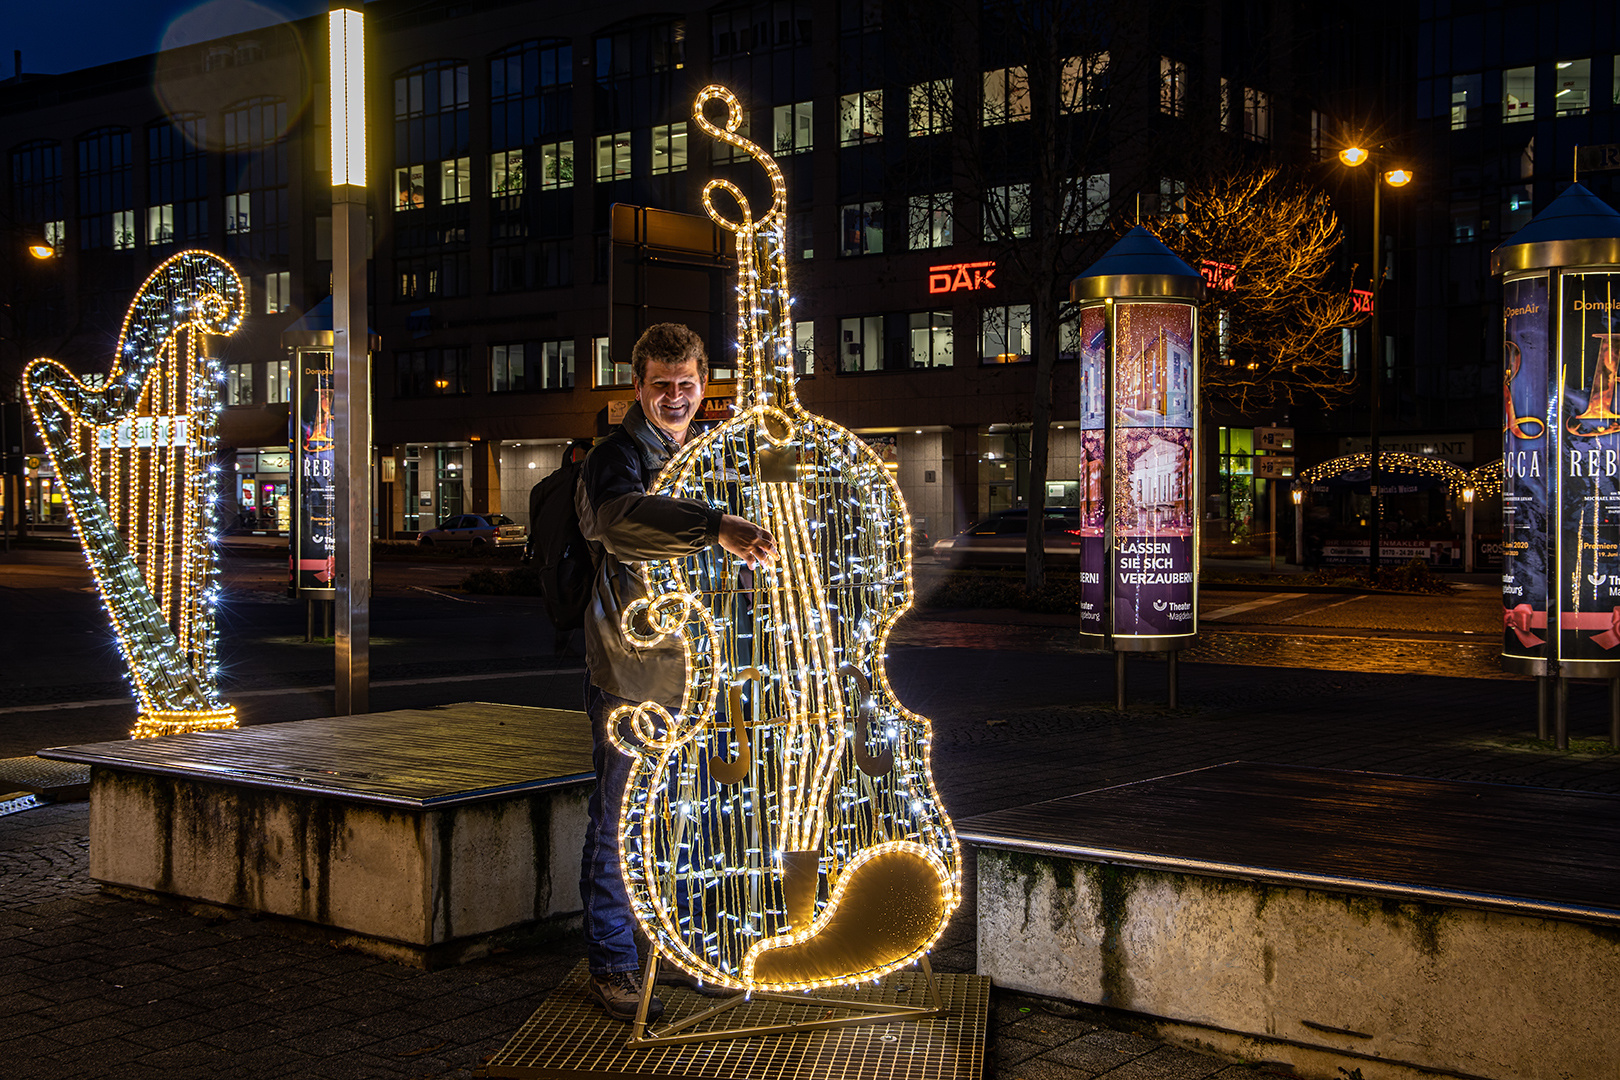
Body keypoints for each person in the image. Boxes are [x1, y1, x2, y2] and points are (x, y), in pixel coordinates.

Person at [575, 323, 775, 1022]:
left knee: (686, 824)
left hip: (699, 678)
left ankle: (678, 956)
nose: (675, 396)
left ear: (702, 385)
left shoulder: (711, 454)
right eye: (661, 384)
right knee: (620, 823)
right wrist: (715, 525)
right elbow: (615, 520)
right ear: (637, 386)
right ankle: (613, 964)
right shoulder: (615, 455)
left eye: (687, 384)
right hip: (632, 675)